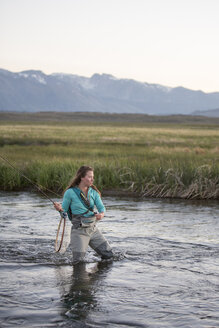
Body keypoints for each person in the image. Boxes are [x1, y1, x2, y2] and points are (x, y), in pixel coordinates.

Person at [54, 165, 113, 264]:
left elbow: (102, 208)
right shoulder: (70, 192)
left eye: (93, 177)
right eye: (89, 177)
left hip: (93, 230)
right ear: (81, 177)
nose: (92, 179)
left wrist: (101, 214)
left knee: (109, 255)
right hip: (79, 232)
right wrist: (59, 209)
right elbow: (64, 214)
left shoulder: (94, 192)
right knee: (78, 262)